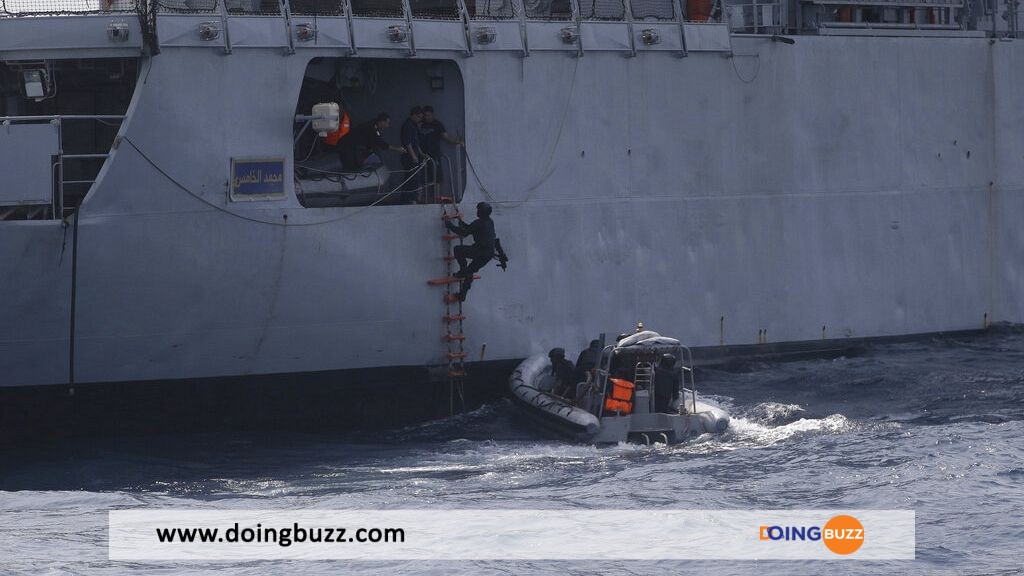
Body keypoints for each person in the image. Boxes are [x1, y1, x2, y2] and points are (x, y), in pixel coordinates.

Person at [444, 201, 496, 301]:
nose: (477, 211)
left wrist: (449, 225)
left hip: (481, 251)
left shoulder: (479, 222)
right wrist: (461, 222)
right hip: (488, 254)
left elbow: (464, 233)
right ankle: (462, 295)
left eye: (478, 209)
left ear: (481, 212)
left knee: (458, 250)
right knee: (470, 271)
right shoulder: (489, 221)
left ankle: (462, 270)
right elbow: (470, 229)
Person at [337, 112, 403, 171]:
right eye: (387, 123)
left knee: (357, 162)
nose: (388, 126)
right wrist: (397, 149)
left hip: (354, 147)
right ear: (382, 122)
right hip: (347, 146)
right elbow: (381, 144)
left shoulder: (375, 127)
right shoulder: (370, 128)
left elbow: (377, 141)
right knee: (350, 166)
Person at [418, 105, 462, 186]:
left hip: (434, 154)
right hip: (422, 155)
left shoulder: (437, 124)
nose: (427, 117)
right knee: (422, 177)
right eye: (425, 115)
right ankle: (420, 197)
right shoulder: (420, 124)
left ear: (432, 114)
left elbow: (446, 137)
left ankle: (437, 196)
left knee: (436, 177)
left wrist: (456, 141)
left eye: (429, 115)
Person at [400, 106, 425, 199]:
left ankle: (409, 198)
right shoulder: (408, 125)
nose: (419, 120)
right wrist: (413, 156)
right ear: (414, 115)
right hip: (409, 158)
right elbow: (408, 143)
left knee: (413, 179)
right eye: (419, 117)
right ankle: (411, 199)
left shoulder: (414, 125)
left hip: (415, 155)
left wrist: (421, 153)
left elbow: (415, 142)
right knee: (412, 179)